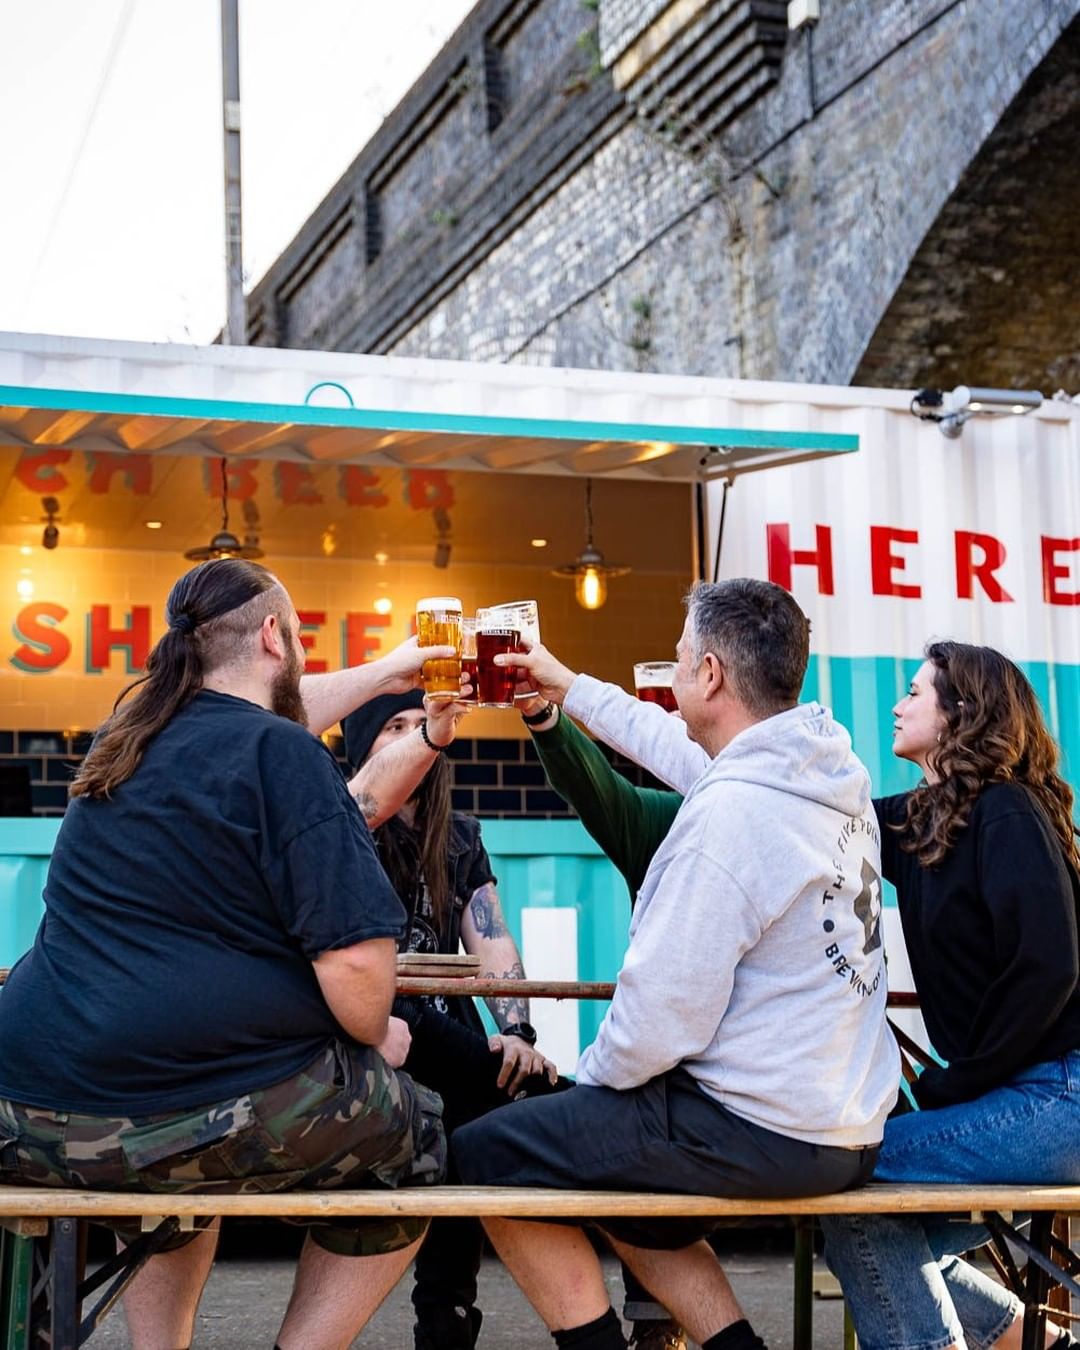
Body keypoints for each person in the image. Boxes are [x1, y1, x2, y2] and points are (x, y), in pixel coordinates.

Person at [541, 634, 1080, 1349]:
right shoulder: (920, 819)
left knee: (845, 1182)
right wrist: (568, 690)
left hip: (1057, 1099)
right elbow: (719, 769)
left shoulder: (1006, 811)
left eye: (916, 693)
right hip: (1020, 1099)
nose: (897, 705)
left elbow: (1051, 968)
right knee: (854, 1193)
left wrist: (960, 1085)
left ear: (963, 714)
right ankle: (1028, 1338)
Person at [0, 558, 460, 1350]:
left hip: (26, 1109)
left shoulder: (126, 743)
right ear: (275, 636)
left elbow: (252, 715)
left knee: (182, 1165)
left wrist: (392, 672)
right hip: (185, 1114)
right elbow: (359, 987)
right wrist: (369, 1037)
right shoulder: (290, 760)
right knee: (414, 1133)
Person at [453, 578, 899, 1350]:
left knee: (483, 1156)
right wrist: (562, 686)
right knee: (616, 1165)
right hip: (848, 1125)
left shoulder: (728, 819)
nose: (674, 667)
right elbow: (664, 743)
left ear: (711, 676)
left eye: (681, 656)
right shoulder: (817, 775)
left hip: (768, 1130)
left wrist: (583, 1090)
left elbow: (659, 1020)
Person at [342, 690, 562, 1350]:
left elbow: (492, 940)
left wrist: (517, 1032)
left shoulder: (459, 833)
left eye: (423, 724)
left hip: (447, 1035)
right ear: (362, 749)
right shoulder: (344, 828)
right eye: (395, 727)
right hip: (377, 1035)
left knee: (470, 1134)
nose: (416, 737)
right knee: (525, 1101)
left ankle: (446, 1321)